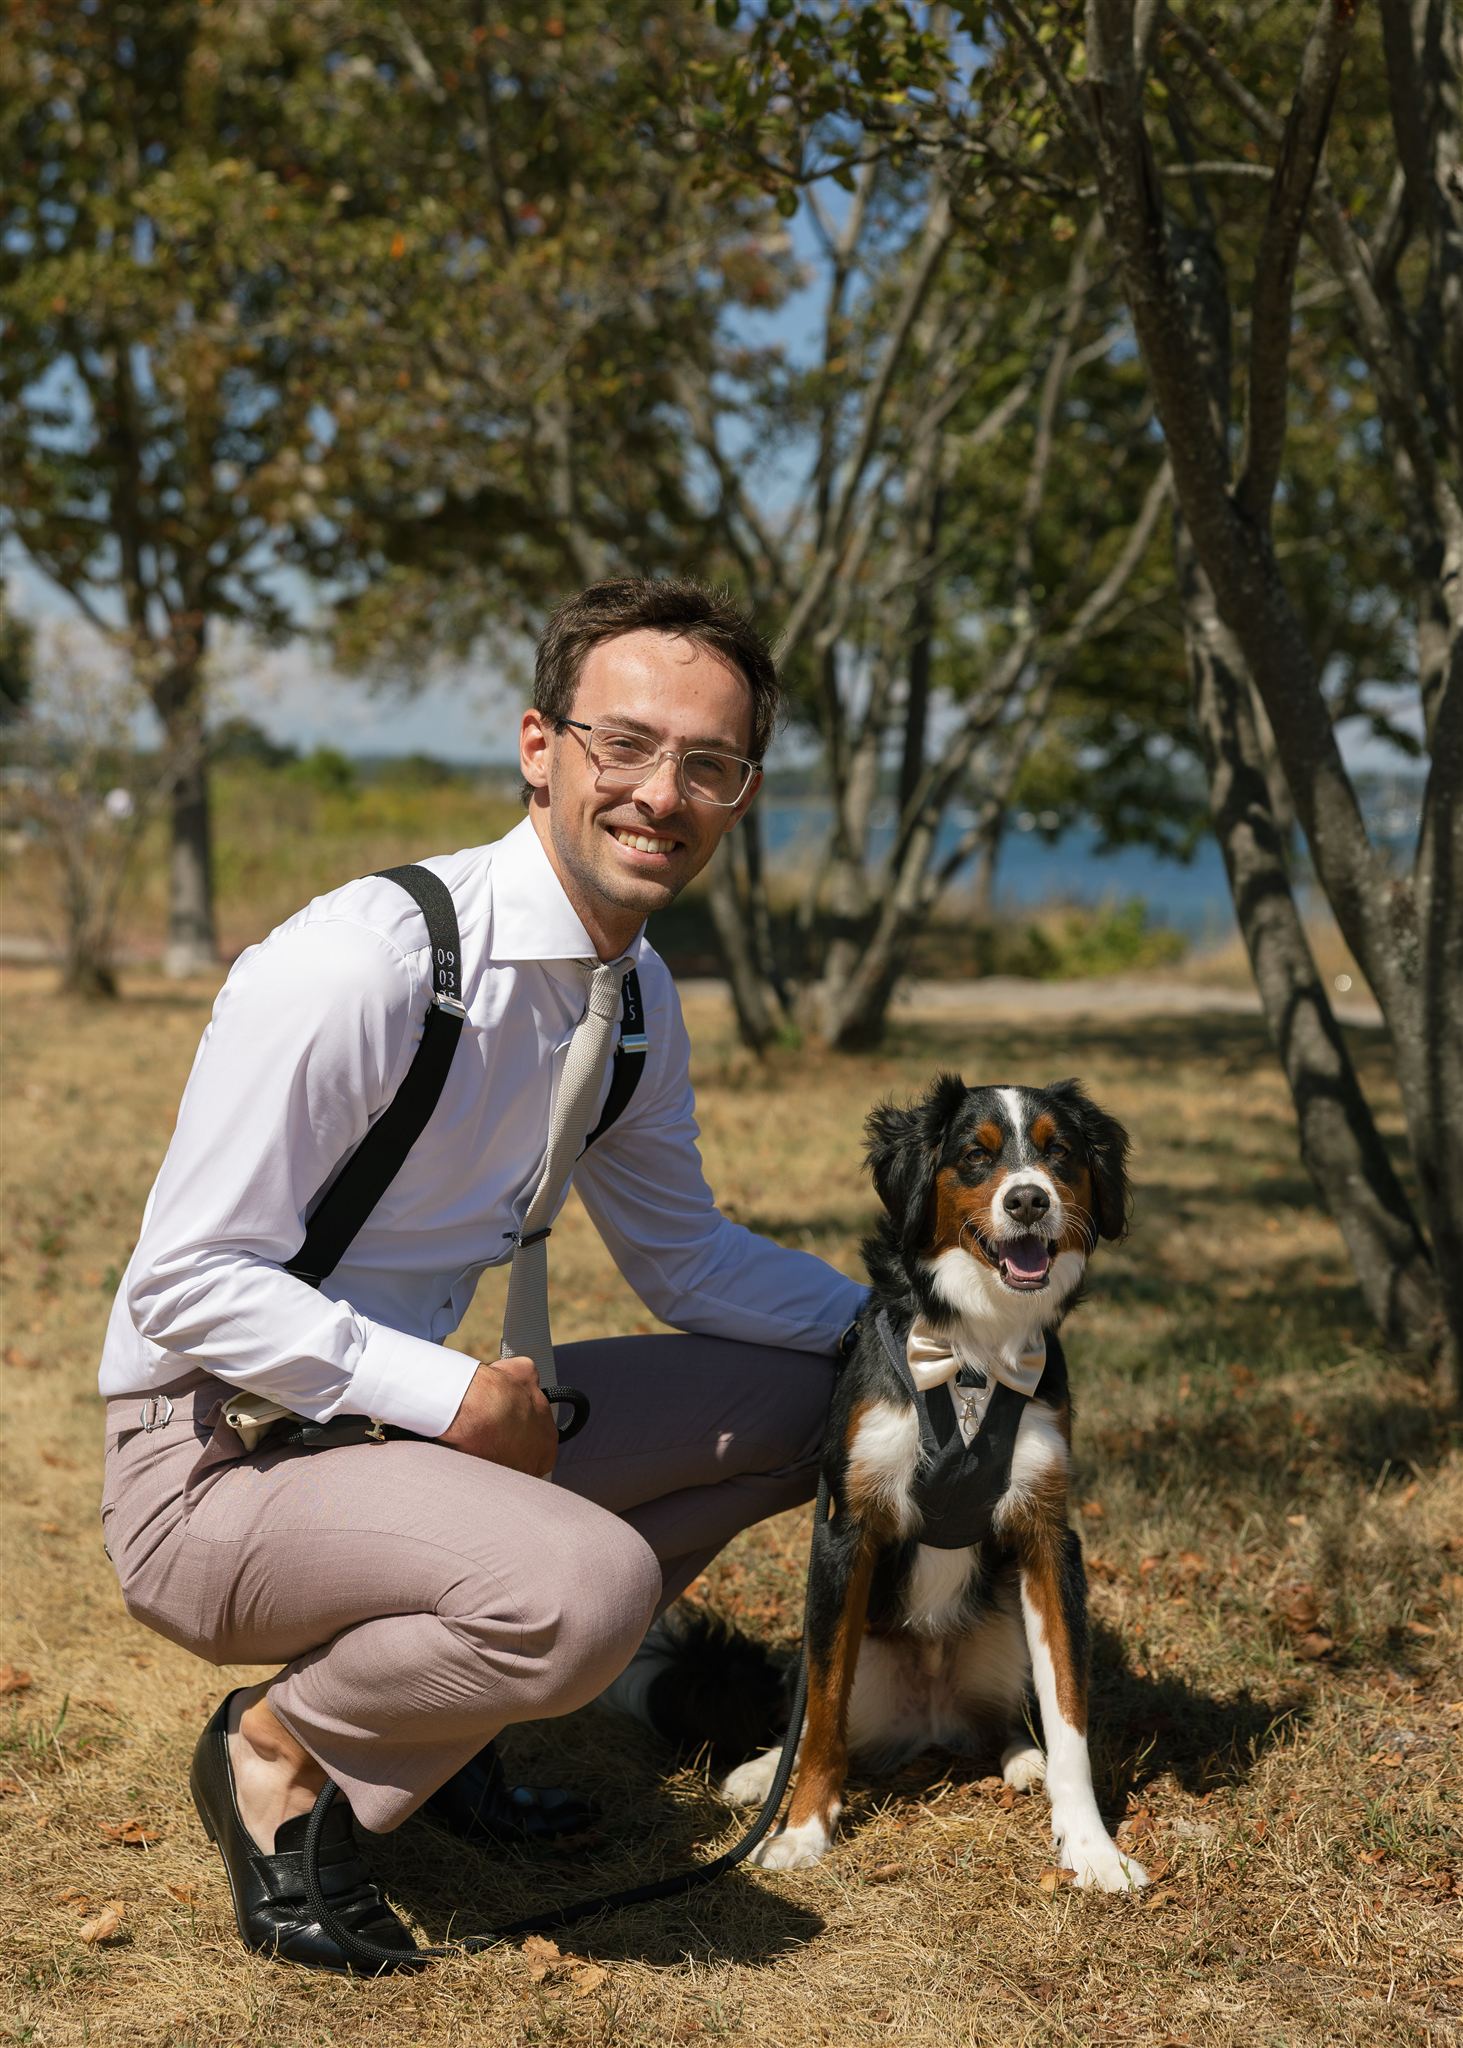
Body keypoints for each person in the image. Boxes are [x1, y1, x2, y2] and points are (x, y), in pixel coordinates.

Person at [97, 578, 865, 1973]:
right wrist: (452, 1398)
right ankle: (277, 1757)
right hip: (210, 1461)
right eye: (622, 745)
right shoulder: (367, 965)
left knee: (828, 1408)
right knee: (586, 1588)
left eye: (709, 764)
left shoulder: (631, 998)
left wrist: (920, 1337)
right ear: (539, 747)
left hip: (398, 1441)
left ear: (741, 792)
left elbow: (683, 1256)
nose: (661, 794)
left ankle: (442, 1729)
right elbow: (187, 1283)